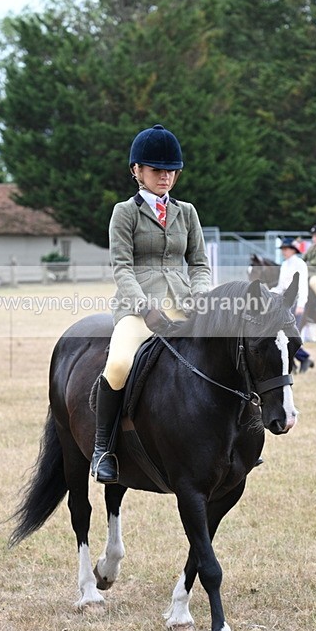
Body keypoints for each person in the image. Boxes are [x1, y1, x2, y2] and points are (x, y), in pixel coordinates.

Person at [91, 124, 211, 483]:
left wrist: (202, 296)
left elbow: (200, 263)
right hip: (138, 307)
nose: (166, 176)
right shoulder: (124, 213)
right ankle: (103, 450)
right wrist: (144, 307)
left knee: (224, 353)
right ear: (137, 171)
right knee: (119, 364)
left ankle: (234, 439)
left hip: (184, 304)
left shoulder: (187, 212)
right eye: (158, 170)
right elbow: (122, 267)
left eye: (171, 170)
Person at [272, 236, 313, 373]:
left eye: (286, 249)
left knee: (290, 335)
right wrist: (269, 291)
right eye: (283, 249)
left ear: (292, 250)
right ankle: (296, 362)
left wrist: (301, 304)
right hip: (285, 303)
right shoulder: (284, 265)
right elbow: (280, 287)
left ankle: (304, 358)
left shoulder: (300, 264)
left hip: (296, 301)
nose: (284, 252)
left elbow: (302, 285)